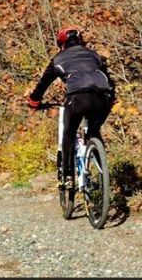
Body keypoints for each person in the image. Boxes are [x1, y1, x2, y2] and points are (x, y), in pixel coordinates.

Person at [25, 26, 115, 190]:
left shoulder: (58, 60)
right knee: (94, 129)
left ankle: (68, 176)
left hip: (77, 97)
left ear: (62, 45)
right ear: (80, 41)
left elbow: (42, 85)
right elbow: (108, 79)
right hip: (103, 97)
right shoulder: (94, 55)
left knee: (69, 132)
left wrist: (34, 102)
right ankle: (103, 170)